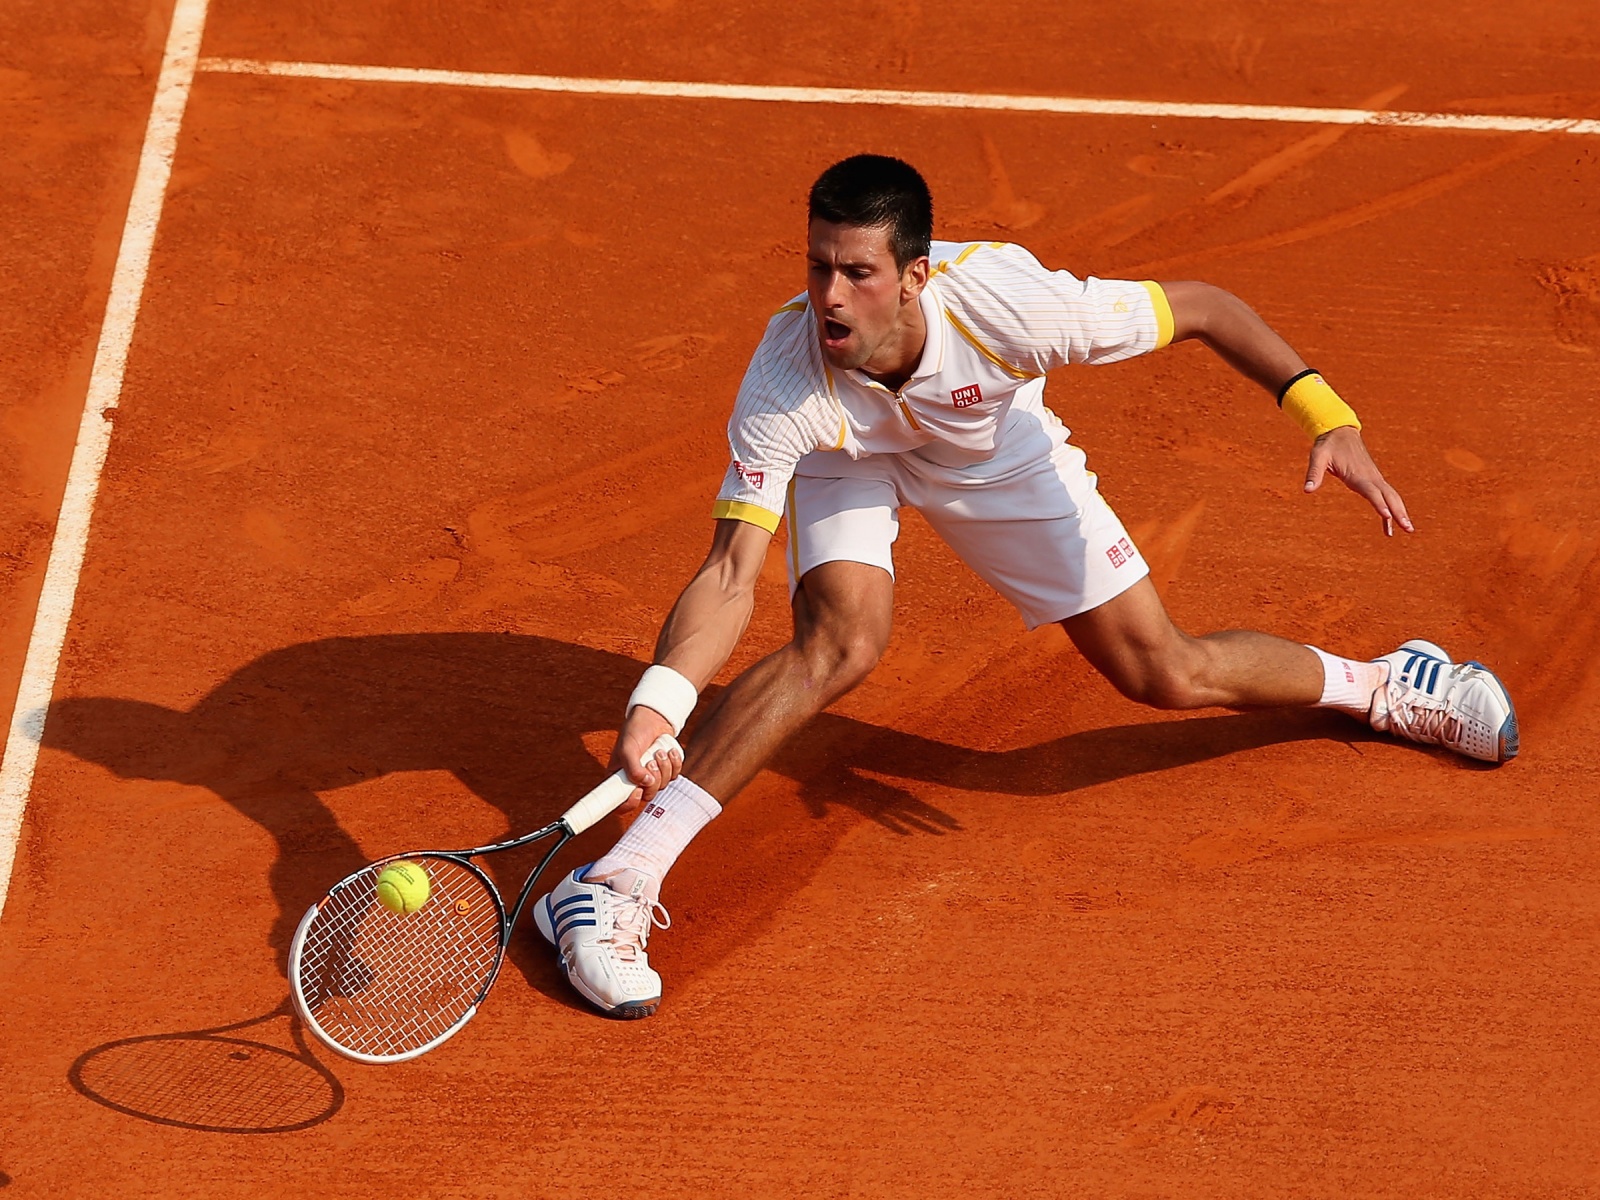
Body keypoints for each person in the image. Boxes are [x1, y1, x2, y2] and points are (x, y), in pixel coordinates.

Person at [532, 154, 1518, 1018]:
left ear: (915, 275)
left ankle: (1383, 683)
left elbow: (1207, 310)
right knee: (842, 642)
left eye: (858, 273)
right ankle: (615, 879)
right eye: (817, 267)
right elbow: (729, 569)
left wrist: (1323, 412)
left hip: (991, 456)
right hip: (851, 451)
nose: (830, 297)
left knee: (1164, 670)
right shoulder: (787, 379)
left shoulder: (1012, 302)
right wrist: (658, 702)